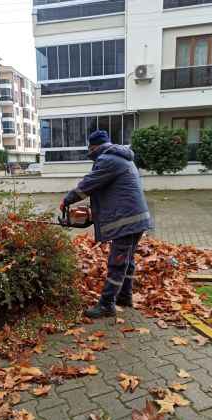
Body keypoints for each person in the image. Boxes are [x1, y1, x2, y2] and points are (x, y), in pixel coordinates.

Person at [60, 130, 151, 319]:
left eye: (90, 150)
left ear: (94, 147)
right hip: (136, 218)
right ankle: (125, 296)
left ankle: (106, 305)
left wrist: (67, 200)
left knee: (117, 263)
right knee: (127, 260)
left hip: (127, 220)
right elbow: (111, 192)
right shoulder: (121, 158)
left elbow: (88, 184)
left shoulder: (107, 160)